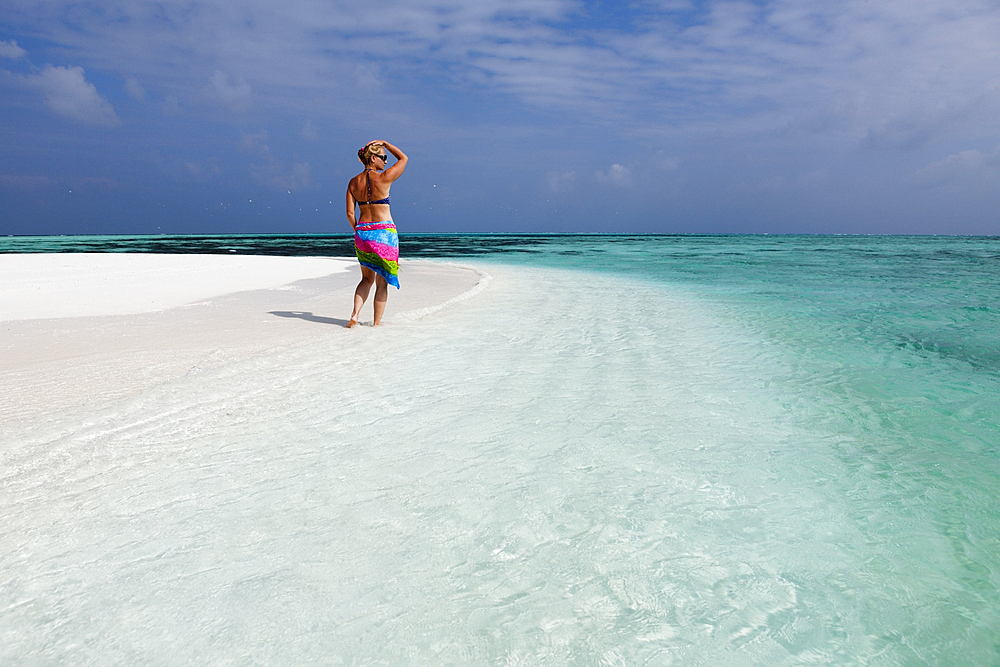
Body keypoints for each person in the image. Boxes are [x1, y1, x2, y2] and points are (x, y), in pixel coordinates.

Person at [345, 140, 408, 327]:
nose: (386, 162)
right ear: (373, 158)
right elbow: (404, 158)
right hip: (384, 234)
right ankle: (376, 324)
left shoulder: (353, 182)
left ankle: (355, 314)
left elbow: (350, 213)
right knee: (382, 283)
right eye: (383, 157)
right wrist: (387, 144)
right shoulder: (385, 177)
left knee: (366, 279)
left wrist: (359, 231)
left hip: (363, 232)